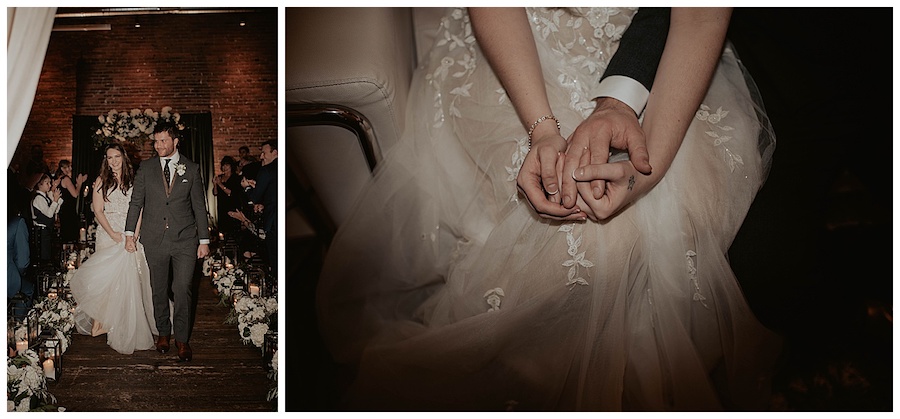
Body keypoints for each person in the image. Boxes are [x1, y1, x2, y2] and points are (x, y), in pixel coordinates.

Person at [315, 7, 779, 411]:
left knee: (670, 217)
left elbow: (697, 17)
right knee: (576, 242)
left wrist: (645, 170)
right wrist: (542, 130)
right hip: (523, 46)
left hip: (662, 51)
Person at [124, 122, 210, 362]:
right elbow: (136, 202)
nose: (158, 145)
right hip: (154, 239)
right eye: (156, 141)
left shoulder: (191, 169)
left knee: (183, 289)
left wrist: (204, 240)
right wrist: (129, 234)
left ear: (175, 141)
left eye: (163, 140)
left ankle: (182, 338)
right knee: (158, 288)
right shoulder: (146, 168)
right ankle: (163, 332)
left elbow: (199, 207)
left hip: (185, 240)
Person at [69, 143, 158, 354]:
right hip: (108, 234)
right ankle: (103, 323)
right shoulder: (101, 181)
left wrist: (133, 235)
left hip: (130, 233)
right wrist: (113, 234)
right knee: (108, 280)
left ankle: (128, 321)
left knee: (132, 278)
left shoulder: (134, 180)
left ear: (123, 157)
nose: (113, 161)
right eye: (109, 158)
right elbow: (98, 212)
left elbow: (140, 209)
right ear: (106, 160)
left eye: (116, 156)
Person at [242, 140, 277, 275]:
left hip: (273, 222)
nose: (261, 156)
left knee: (274, 260)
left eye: (264, 153)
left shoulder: (266, 170)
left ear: (275, 152)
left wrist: (247, 188)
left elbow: (255, 197)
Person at [55, 160, 89, 242]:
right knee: (70, 233)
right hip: (68, 210)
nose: (70, 169)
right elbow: (75, 194)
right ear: (62, 169)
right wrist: (80, 183)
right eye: (68, 167)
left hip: (64, 209)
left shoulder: (60, 179)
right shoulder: (66, 179)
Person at [30, 173, 62, 261]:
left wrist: (56, 200)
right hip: (41, 231)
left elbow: (55, 210)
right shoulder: (38, 199)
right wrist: (55, 201)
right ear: (40, 184)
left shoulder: (45, 197)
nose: (50, 185)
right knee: (44, 255)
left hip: (47, 230)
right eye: (47, 183)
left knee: (48, 253)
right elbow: (49, 214)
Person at [8, 190, 30, 304]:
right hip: (8, 279)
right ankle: (20, 321)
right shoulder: (17, 223)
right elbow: (23, 262)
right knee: (29, 290)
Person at [212, 155, 243, 236]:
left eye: (227, 165)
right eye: (223, 165)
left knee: (233, 231)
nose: (225, 167)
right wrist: (215, 184)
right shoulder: (220, 177)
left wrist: (220, 184)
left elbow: (231, 193)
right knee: (223, 231)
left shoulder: (235, 178)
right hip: (222, 207)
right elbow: (215, 193)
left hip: (232, 206)